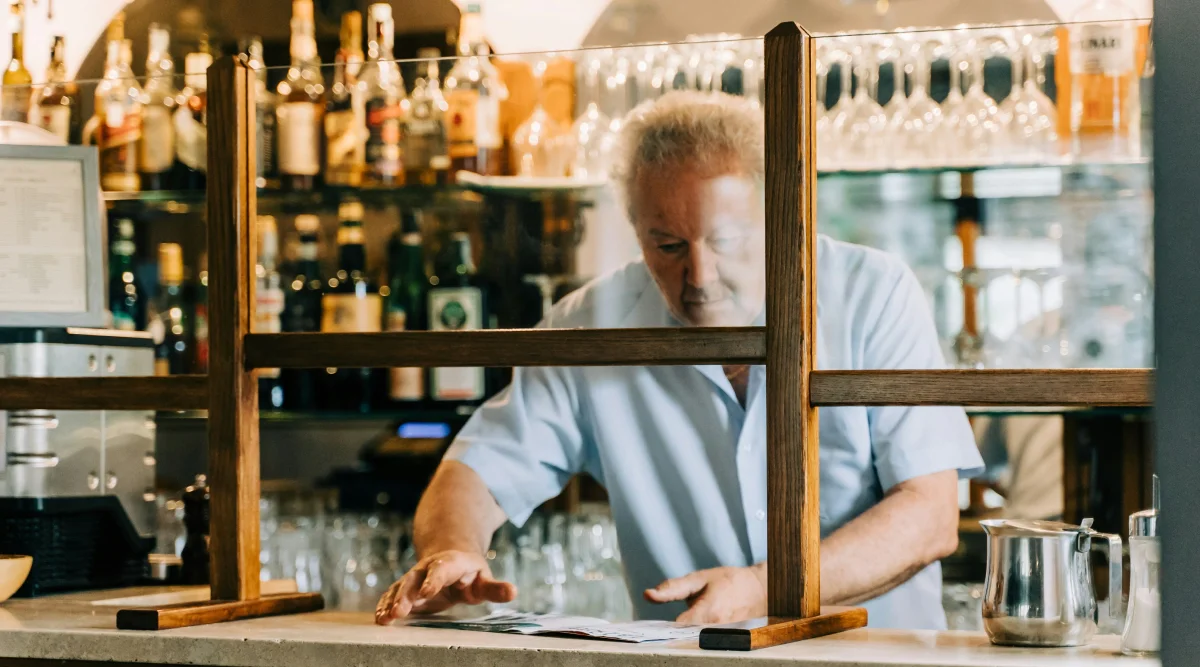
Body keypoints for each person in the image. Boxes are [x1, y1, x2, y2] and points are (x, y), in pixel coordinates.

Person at [375, 91, 983, 629]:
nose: (700, 276)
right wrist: (451, 551)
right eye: (666, 246)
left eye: (725, 241)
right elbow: (476, 469)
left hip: (870, 657)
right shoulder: (590, 323)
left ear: (781, 215)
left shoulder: (870, 291)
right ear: (636, 229)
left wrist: (759, 589)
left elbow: (929, 515)